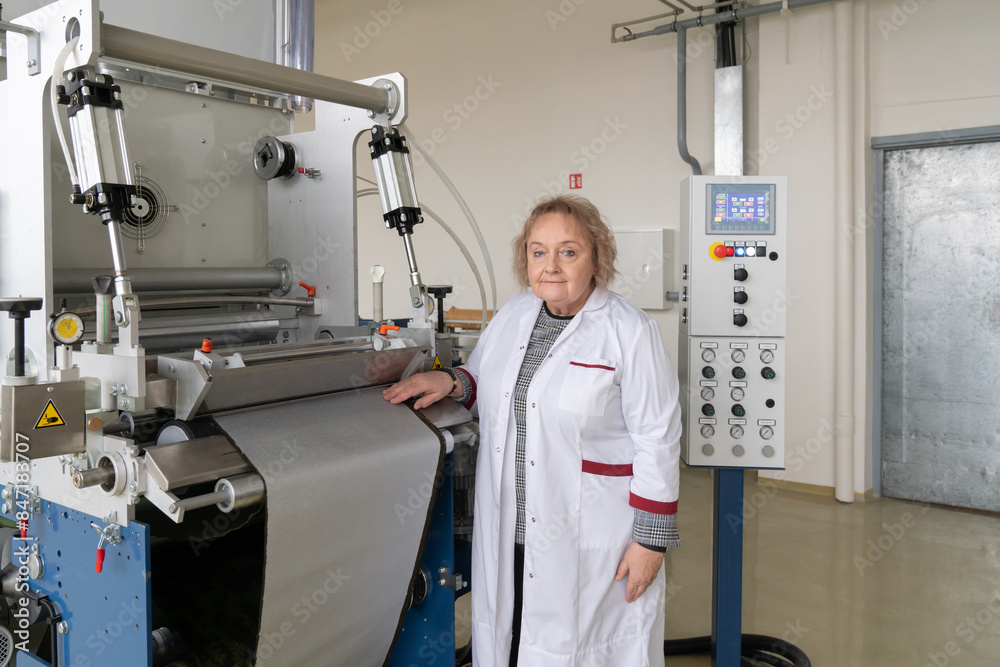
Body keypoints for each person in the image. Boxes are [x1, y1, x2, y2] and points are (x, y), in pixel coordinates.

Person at [383, 195, 682, 666]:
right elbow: (487, 384)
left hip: (590, 534)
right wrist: (450, 379)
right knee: (512, 636)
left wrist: (650, 541)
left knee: (583, 648)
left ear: (596, 257)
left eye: (568, 251)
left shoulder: (629, 331)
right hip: (510, 526)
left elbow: (658, 440)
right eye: (538, 251)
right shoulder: (515, 315)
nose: (551, 266)